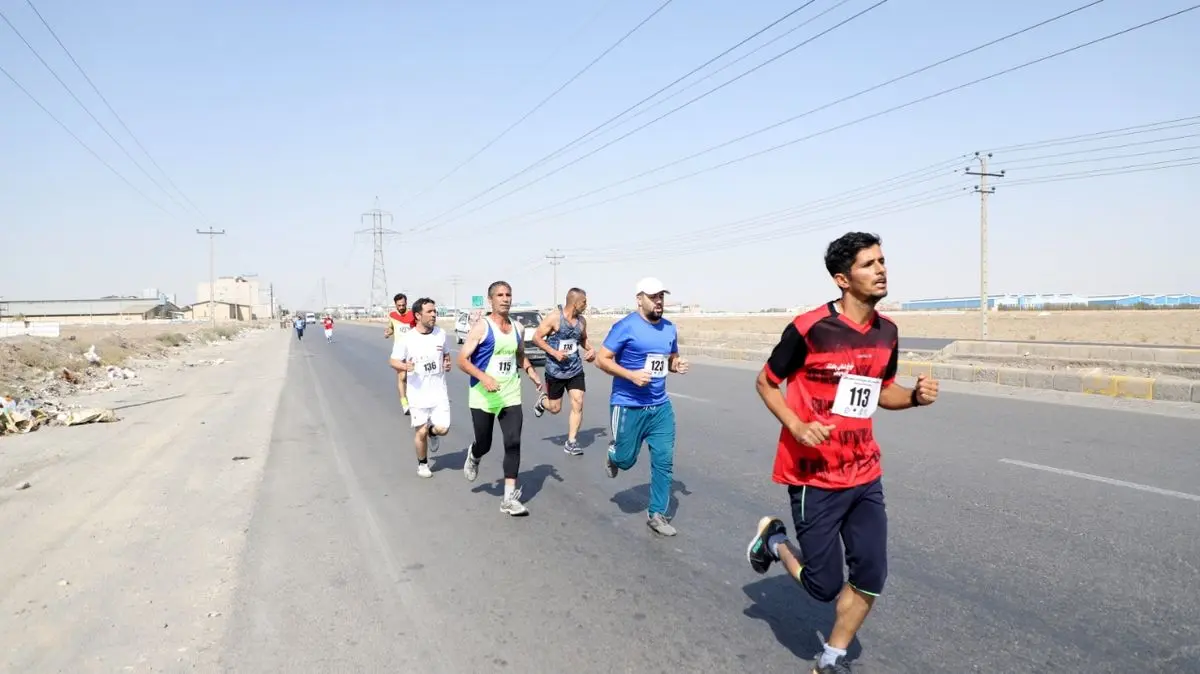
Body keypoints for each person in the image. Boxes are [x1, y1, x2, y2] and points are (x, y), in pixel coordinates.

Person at [744, 232, 939, 674]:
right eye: (869, 264)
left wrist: (914, 398)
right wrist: (796, 424)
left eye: (883, 260)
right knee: (823, 584)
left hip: (864, 472)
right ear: (842, 279)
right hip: (815, 476)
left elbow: (882, 390)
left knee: (871, 576)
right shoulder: (809, 328)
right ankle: (773, 541)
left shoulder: (888, 331)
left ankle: (830, 658)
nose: (882, 269)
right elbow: (766, 382)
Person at [594, 277, 688, 537]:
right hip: (628, 405)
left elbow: (669, 359)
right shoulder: (625, 327)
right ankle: (614, 454)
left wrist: (675, 366)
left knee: (664, 460)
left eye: (661, 296)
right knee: (626, 459)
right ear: (639, 299)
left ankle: (657, 513)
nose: (658, 301)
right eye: (653, 296)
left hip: (660, 407)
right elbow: (601, 360)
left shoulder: (669, 328)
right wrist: (631, 375)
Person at [456, 281, 544, 516]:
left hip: (510, 392)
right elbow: (462, 360)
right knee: (485, 443)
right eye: (500, 295)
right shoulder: (481, 327)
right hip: (483, 395)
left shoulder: (518, 328)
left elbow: (519, 355)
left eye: (508, 295)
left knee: (513, 442)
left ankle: (509, 499)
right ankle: (474, 454)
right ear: (491, 300)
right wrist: (483, 377)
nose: (505, 299)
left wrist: (532, 372)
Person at [390, 298, 452, 478]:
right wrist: (404, 367)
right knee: (420, 431)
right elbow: (393, 361)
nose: (434, 315)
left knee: (443, 428)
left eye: (435, 311)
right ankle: (423, 464)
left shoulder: (441, 333)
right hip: (417, 393)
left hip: (439, 391)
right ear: (418, 315)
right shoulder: (407, 338)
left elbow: (446, 354)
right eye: (430, 312)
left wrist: (447, 362)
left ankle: (433, 434)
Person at [531, 288, 596, 455]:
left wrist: (591, 350)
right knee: (555, 408)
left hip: (575, 369)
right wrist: (554, 353)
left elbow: (583, 339)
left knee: (578, 401)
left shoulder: (581, 321)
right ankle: (543, 401)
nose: (586, 305)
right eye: (584, 302)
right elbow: (536, 338)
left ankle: (571, 442)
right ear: (575, 303)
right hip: (555, 371)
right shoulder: (555, 318)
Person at [384, 293, 418, 415]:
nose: (402, 307)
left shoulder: (412, 315)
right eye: (399, 305)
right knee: (402, 376)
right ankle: (405, 403)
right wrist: (388, 332)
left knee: (414, 376)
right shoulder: (392, 316)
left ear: (406, 303)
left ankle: (414, 399)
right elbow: (391, 328)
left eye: (403, 305)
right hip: (399, 349)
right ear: (395, 305)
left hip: (412, 350)